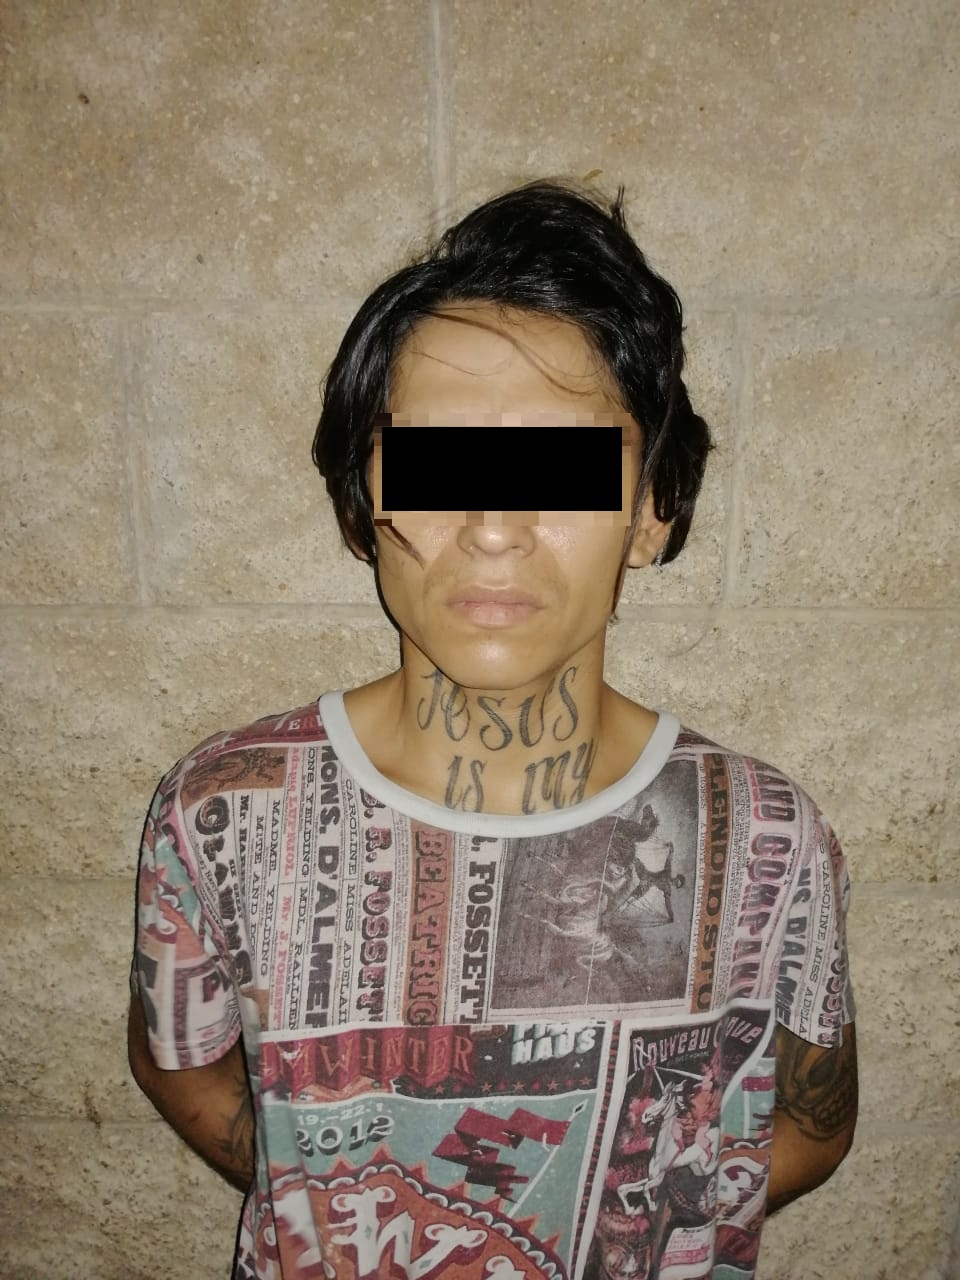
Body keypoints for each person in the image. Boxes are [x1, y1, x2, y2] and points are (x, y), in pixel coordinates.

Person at [128, 179, 858, 1280]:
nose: (495, 527)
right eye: (439, 465)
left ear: (651, 509)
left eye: (561, 468)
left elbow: (808, 1122)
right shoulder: (217, 811)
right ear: (361, 503)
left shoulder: (769, 832)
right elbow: (182, 1066)